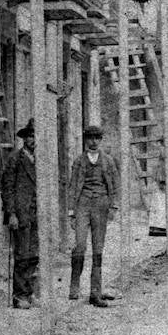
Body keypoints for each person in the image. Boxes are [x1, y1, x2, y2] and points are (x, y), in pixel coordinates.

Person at [68, 124, 120, 308]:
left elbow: (114, 184)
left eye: (97, 138)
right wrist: (71, 212)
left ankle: (95, 291)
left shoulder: (108, 161)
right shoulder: (78, 161)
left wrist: (113, 205)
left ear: (100, 140)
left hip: (101, 205)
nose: (93, 141)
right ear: (85, 140)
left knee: (98, 248)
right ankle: (74, 285)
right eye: (90, 138)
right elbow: (73, 186)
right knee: (80, 245)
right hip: (82, 204)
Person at [3, 119, 38, 310]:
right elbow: (7, 188)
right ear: (24, 138)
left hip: (35, 213)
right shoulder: (15, 159)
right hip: (21, 213)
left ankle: (29, 292)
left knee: (34, 255)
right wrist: (12, 214)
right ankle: (19, 296)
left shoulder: (40, 159)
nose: (34, 139)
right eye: (31, 136)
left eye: (36, 136)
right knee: (22, 255)